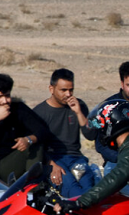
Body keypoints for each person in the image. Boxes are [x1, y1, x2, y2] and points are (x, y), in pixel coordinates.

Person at [34, 69, 97, 197]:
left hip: (75, 158)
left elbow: (90, 135)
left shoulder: (79, 105)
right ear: (51, 89)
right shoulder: (39, 113)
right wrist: (51, 165)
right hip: (54, 160)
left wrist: (79, 112)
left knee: (90, 190)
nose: (68, 94)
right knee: (74, 191)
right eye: (63, 90)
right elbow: (36, 147)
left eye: (71, 90)